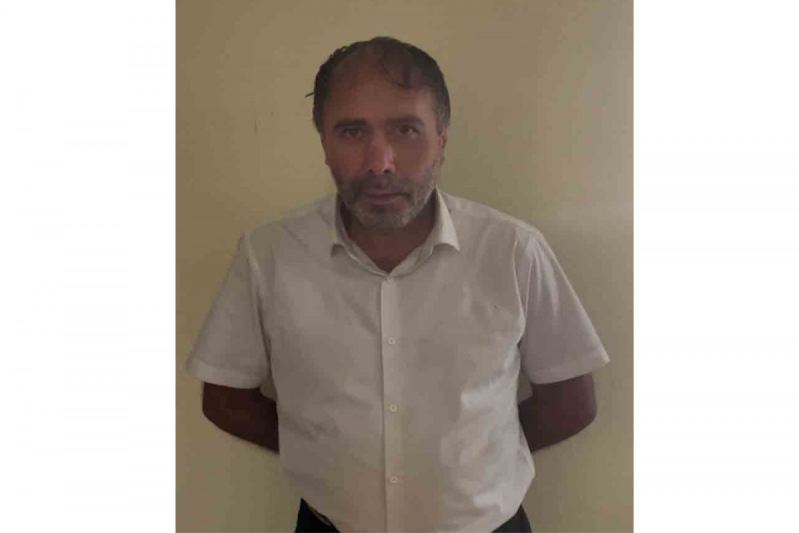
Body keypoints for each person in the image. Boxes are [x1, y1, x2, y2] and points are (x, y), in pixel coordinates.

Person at [186, 36, 609, 533]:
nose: (380, 162)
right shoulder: (269, 255)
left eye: (406, 130)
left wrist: (472, 464)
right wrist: (324, 452)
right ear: (323, 142)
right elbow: (225, 397)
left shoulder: (514, 251)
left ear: (442, 139)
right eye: (351, 131)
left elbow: (570, 403)